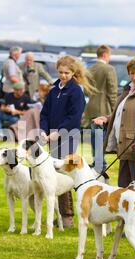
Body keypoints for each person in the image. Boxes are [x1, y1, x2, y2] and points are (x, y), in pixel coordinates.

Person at [40, 55, 96, 228]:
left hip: (68, 137)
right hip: (52, 137)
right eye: (60, 72)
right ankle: (62, 214)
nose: (63, 75)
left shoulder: (76, 91)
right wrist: (44, 130)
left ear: (73, 72)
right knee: (55, 175)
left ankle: (68, 216)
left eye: (66, 72)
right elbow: (44, 113)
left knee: (64, 175)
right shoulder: (54, 89)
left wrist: (59, 132)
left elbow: (74, 117)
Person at [94, 57, 135, 187]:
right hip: (125, 147)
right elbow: (122, 113)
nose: (134, 77)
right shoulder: (129, 89)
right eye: (132, 73)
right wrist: (107, 118)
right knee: (123, 189)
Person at [84, 45, 118, 172]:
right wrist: (115, 110)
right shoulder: (109, 69)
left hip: (91, 107)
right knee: (100, 139)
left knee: (94, 138)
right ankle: (100, 166)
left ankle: (97, 163)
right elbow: (112, 92)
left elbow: (86, 92)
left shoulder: (89, 69)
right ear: (105, 55)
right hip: (104, 108)